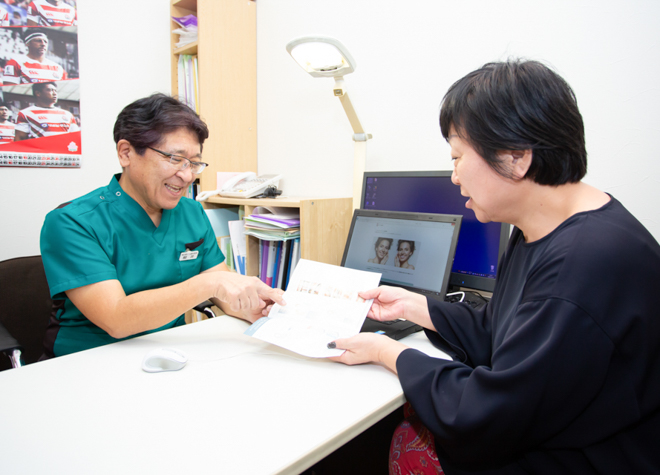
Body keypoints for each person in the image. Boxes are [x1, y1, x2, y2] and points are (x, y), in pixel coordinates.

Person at [328, 60, 660, 473]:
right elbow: (501, 335)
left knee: (396, 439)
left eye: (457, 157)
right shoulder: (545, 225)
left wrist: (387, 351)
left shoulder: (586, 264)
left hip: (584, 461)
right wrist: (415, 307)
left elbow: (488, 413)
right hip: (551, 430)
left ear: (516, 157)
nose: (453, 177)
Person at [40, 93, 285, 358]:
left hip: (171, 351)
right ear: (126, 153)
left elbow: (221, 288)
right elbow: (116, 319)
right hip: (88, 359)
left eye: (193, 163)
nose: (187, 174)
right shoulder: (72, 222)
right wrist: (209, 284)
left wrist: (252, 307)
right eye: (174, 158)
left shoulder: (191, 212)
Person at [14, 81, 78, 141]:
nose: (55, 93)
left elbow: (76, 138)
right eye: (50, 90)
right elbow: (19, 139)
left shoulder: (68, 114)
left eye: (55, 91)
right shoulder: (25, 113)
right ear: (38, 93)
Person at [2, 30, 67, 85]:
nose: (43, 44)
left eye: (45, 41)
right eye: (38, 41)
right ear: (27, 43)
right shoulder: (15, 63)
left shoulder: (59, 68)